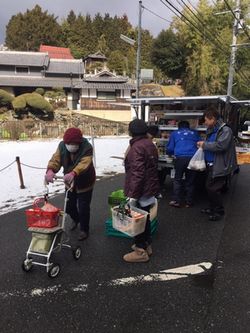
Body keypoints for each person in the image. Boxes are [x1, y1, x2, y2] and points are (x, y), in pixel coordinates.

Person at [45, 127, 96, 240]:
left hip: (85, 181)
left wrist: (73, 173)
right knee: (68, 206)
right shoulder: (62, 146)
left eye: (74, 143)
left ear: (79, 142)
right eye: (69, 143)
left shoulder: (87, 147)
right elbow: (56, 159)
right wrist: (50, 170)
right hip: (69, 182)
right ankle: (76, 219)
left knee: (83, 207)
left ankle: (84, 229)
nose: (71, 145)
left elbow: (84, 164)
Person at [123, 119, 160, 263]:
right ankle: (147, 245)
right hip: (149, 187)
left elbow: (137, 173)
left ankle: (140, 251)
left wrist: (132, 195)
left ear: (131, 132)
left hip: (141, 189)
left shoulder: (137, 147)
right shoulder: (149, 144)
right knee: (145, 218)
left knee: (137, 220)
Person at [197, 107, 237, 221]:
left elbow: (221, 146)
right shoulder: (212, 129)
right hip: (210, 163)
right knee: (209, 187)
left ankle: (219, 211)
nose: (205, 123)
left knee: (213, 189)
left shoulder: (225, 130)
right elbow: (211, 143)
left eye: (206, 120)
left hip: (219, 165)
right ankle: (212, 207)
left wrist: (204, 145)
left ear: (213, 119)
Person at [166, 120, 201, 207]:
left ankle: (176, 201)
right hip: (192, 158)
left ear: (179, 127)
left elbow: (170, 148)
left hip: (180, 158)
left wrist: (169, 153)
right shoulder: (195, 133)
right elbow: (200, 145)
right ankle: (189, 202)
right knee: (190, 181)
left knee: (177, 179)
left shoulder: (174, 133)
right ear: (188, 127)